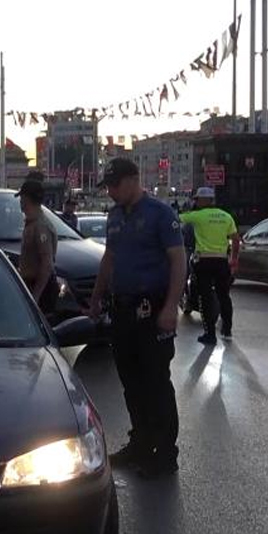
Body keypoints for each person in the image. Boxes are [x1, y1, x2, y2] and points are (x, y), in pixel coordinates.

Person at [87, 158, 186, 479]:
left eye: (116, 184)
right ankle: (141, 442)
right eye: (109, 186)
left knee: (155, 380)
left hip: (152, 309)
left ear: (133, 179)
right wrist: (97, 297)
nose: (112, 191)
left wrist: (171, 307)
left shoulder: (160, 214)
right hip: (122, 310)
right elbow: (109, 259)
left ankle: (165, 452)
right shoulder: (114, 216)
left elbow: (178, 261)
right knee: (131, 382)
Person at [180, 187, 241, 345]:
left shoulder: (198, 216)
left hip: (204, 261)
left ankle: (210, 335)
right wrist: (233, 259)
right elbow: (235, 239)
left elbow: (177, 219)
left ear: (201, 200)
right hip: (221, 261)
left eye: (197, 199)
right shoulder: (226, 216)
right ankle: (227, 330)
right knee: (224, 296)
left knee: (205, 297)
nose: (196, 202)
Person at [15, 179, 59, 315]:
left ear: (26, 199)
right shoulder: (31, 223)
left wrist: (35, 296)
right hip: (31, 285)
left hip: (40, 288)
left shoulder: (41, 226)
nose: (20, 202)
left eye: (22, 198)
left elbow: (47, 264)